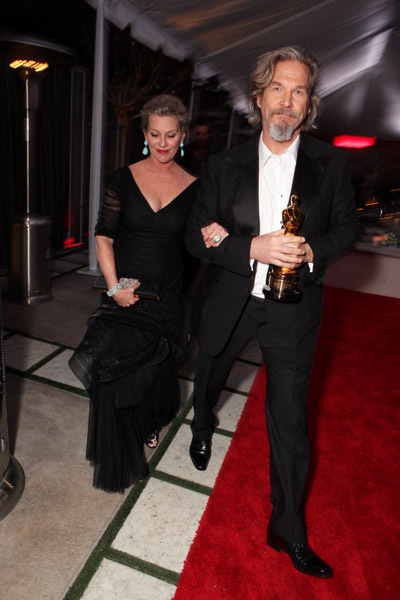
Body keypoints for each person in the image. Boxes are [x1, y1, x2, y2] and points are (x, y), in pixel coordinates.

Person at [184, 46, 358, 578]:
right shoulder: (224, 164)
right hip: (230, 301)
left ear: (309, 105)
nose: (287, 101)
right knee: (209, 376)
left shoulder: (332, 163)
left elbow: (347, 229)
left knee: (290, 422)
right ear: (258, 98)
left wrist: (313, 251)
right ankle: (200, 423)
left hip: (292, 310)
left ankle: (287, 530)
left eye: (299, 91)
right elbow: (196, 235)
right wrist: (248, 248)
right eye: (278, 89)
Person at [69, 94, 198, 493]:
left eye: (171, 134)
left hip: (169, 294)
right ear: (144, 134)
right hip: (122, 287)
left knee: (155, 370)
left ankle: (148, 420)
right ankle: (121, 446)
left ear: (182, 135)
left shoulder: (196, 187)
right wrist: (114, 288)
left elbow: (194, 245)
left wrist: (216, 234)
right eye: (155, 134)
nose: (163, 143)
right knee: (114, 365)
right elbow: (104, 237)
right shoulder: (121, 179)